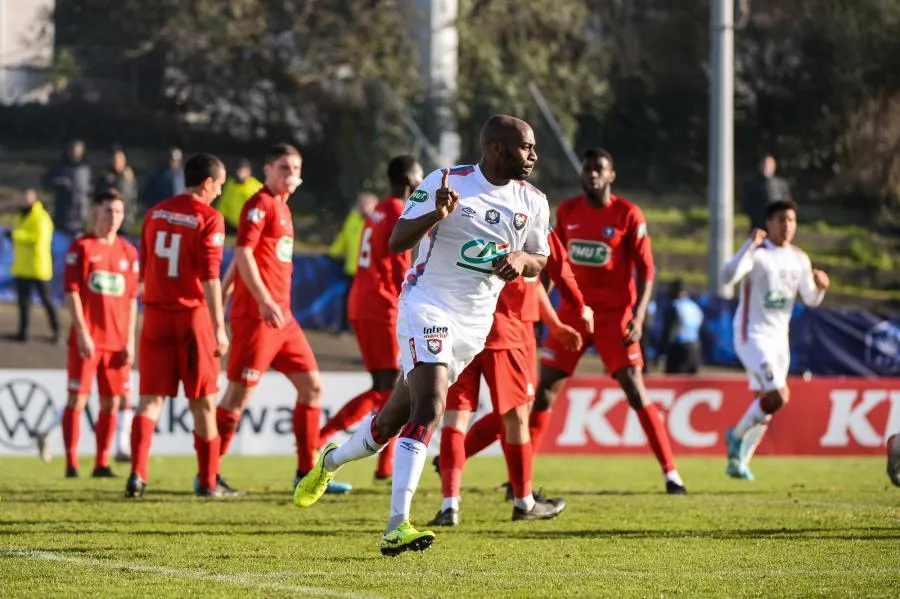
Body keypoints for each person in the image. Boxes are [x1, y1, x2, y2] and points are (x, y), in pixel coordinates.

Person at [294, 115, 553, 556]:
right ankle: (398, 525)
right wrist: (436, 212)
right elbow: (396, 241)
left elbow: (540, 258)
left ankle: (330, 461)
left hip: (474, 324)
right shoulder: (447, 180)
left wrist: (520, 261)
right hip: (427, 304)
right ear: (494, 148)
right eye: (525, 147)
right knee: (432, 405)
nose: (533, 156)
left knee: (390, 422)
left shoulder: (534, 201)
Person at [535, 148, 687, 494]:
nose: (592, 174)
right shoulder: (568, 211)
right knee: (544, 391)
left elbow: (647, 270)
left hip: (615, 315)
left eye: (599, 169)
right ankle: (521, 480)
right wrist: (541, 309)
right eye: (587, 169)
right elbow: (553, 262)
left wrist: (639, 314)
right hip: (573, 313)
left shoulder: (628, 215)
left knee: (634, 387)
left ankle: (671, 473)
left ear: (611, 175)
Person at [214, 143, 350, 494]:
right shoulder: (259, 204)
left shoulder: (284, 211)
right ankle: (209, 473)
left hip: (283, 320)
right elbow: (242, 252)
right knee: (236, 398)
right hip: (258, 317)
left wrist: (225, 292)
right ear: (268, 170)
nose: (291, 174)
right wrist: (255, 300)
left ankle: (306, 472)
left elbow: (243, 260)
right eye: (283, 168)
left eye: (295, 168)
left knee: (312, 388)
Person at [429, 228, 587, 526]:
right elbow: (552, 269)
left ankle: (450, 504)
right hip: (506, 332)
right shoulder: (525, 211)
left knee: (455, 419)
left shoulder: (463, 207)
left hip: (460, 329)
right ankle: (523, 501)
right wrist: (578, 308)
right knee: (516, 418)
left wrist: (553, 324)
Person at [125, 153, 231, 498]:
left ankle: (138, 475)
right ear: (207, 183)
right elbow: (210, 278)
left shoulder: (154, 213)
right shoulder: (210, 218)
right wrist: (219, 326)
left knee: (149, 401)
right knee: (203, 402)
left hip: (155, 315)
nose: (220, 192)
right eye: (220, 185)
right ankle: (208, 481)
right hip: (191, 317)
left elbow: (146, 267)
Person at [318, 155, 423, 481]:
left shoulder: (377, 210)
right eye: (420, 177)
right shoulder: (396, 211)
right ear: (409, 179)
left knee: (392, 387)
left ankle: (384, 466)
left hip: (363, 301)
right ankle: (321, 438)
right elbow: (397, 268)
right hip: (381, 305)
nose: (423, 183)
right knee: (388, 388)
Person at [723, 200, 829, 481]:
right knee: (778, 396)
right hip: (752, 335)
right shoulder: (757, 253)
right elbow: (726, 276)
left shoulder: (799, 258)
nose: (787, 225)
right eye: (781, 220)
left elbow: (811, 300)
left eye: (791, 220)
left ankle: (739, 461)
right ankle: (735, 437)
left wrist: (820, 288)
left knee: (765, 404)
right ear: (768, 223)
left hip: (780, 342)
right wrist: (747, 246)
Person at [60, 189, 139, 478]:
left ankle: (101, 463)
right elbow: (71, 292)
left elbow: (131, 300)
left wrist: (130, 340)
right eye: (109, 210)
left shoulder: (129, 252)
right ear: (96, 213)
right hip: (88, 340)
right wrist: (82, 332)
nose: (114, 217)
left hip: (117, 343)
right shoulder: (81, 247)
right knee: (77, 399)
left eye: (118, 211)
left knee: (112, 402)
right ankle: (71, 462)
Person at [8, 188, 60, 343]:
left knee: (47, 300)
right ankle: (23, 331)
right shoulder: (19, 216)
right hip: (22, 266)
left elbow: (39, 239)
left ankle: (57, 330)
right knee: (23, 302)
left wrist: (16, 236)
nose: (24, 201)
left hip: (38, 267)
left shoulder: (41, 217)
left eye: (27, 198)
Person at [328, 192, 378, 333]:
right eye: (361, 203)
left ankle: (367, 328)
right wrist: (333, 252)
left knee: (368, 302)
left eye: (366, 204)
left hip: (370, 272)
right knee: (348, 299)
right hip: (352, 269)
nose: (362, 207)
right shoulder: (352, 219)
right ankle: (344, 327)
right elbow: (343, 238)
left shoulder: (378, 222)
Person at [43, 139, 92, 236]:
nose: (76, 154)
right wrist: (58, 182)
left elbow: (89, 189)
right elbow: (46, 182)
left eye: (79, 151)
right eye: (74, 151)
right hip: (62, 215)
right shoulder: (60, 167)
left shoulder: (85, 169)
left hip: (80, 216)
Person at [657, 279, 704, 374]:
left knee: (674, 383)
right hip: (695, 348)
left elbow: (669, 331)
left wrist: (661, 353)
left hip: (678, 349)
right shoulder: (694, 306)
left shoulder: (674, 307)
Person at [741, 154, 791, 231]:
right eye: (764, 165)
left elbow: (787, 203)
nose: (766, 167)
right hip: (758, 224)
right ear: (760, 166)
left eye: (769, 165)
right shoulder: (752, 184)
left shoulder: (781, 184)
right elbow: (746, 204)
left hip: (777, 225)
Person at [96, 145, 138, 231]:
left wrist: (131, 216)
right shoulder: (105, 177)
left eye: (120, 160)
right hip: (108, 221)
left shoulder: (129, 178)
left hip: (125, 222)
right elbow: (98, 197)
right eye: (115, 160)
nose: (117, 162)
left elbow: (133, 198)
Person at [216, 158, 264, 233]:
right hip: (231, 225)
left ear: (249, 172)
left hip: (250, 225)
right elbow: (224, 203)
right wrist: (219, 218)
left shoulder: (257, 186)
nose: (241, 173)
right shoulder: (230, 184)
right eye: (239, 170)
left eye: (244, 171)